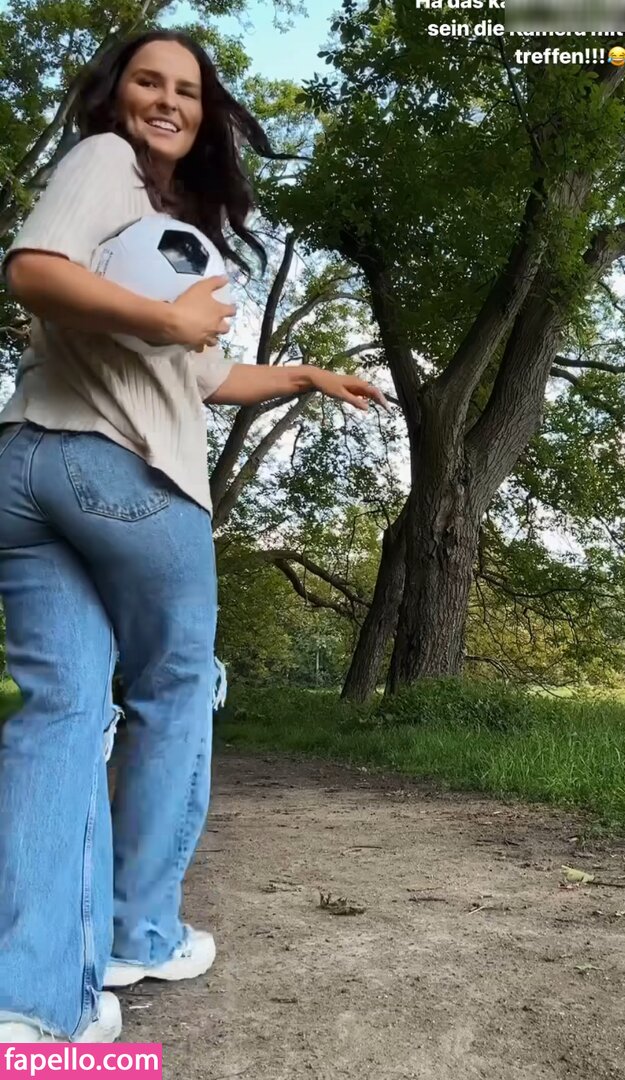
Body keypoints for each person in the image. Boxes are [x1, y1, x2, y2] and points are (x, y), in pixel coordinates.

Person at [0, 30, 387, 1045]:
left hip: (28, 475)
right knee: (173, 692)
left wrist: (303, 375)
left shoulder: (155, 227)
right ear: (113, 94)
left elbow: (208, 379)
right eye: (148, 81)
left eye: (187, 90)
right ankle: (141, 931)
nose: (168, 101)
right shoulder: (103, 162)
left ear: (206, 115)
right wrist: (168, 324)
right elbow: (32, 271)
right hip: (121, 477)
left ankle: (36, 1004)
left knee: (63, 712)